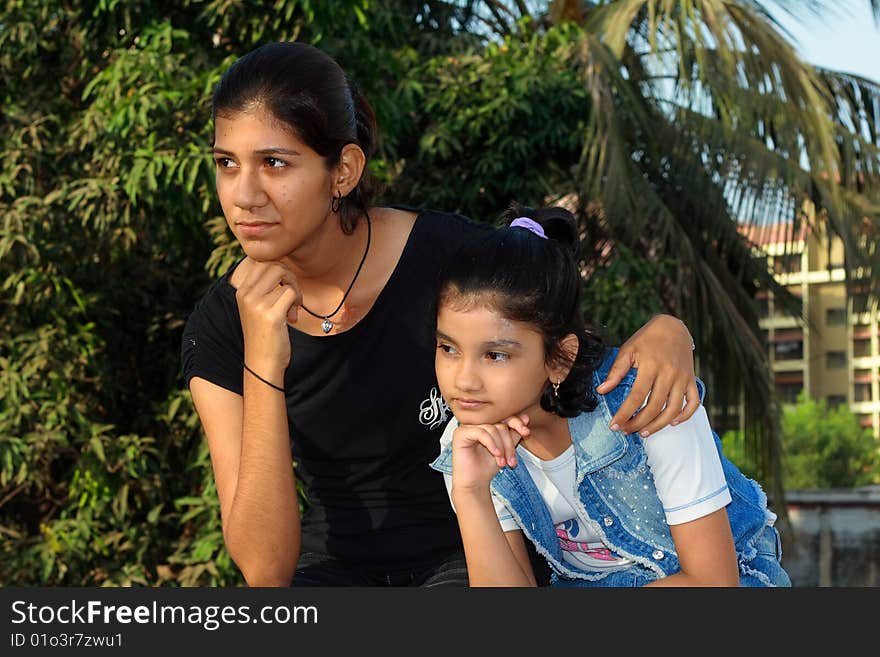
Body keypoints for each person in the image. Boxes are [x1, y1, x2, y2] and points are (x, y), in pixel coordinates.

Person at [180, 41, 701, 587]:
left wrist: (671, 331)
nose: (243, 194)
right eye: (226, 163)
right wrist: (263, 358)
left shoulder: (443, 258)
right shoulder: (220, 327)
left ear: (344, 171)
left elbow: (557, 345)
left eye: (274, 163)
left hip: (473, 553)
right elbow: (265, 570)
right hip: (329, 569)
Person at [430, 204, 791, 587]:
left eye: (495, 355)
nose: (464, 380)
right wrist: (471, 493)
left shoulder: (648, 400)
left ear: (559, 360)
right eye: (448, 349)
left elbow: (713, 582)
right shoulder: (467, 445)